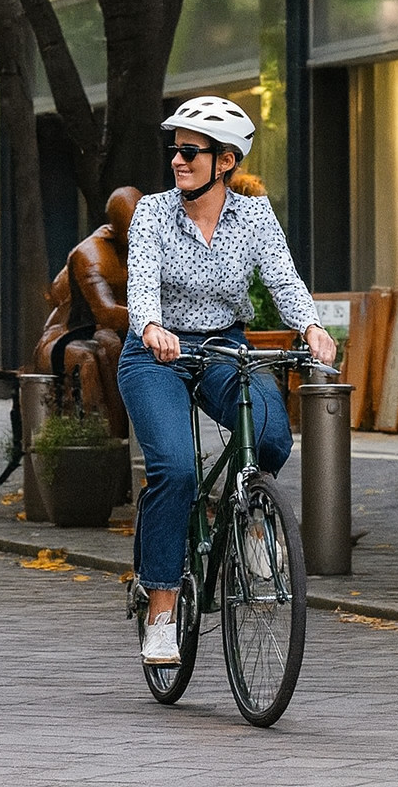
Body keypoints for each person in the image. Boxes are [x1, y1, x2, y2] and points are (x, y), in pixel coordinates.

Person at [118, 95, 337, 666]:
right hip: (154, 351)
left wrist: (311, 327)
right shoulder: (151, 213)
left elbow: (284, 280)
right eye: (176, 150)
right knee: (176, 468)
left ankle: (251, 518)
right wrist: (150, 325)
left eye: (191, 151)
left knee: (271, 436)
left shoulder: (254, 217)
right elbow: (140, 282)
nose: (178, 160)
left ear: (226, 162)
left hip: (223, 346)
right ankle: (162, 608)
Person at [31, 186, 142, 436]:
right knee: (103, 350)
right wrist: (160, 319)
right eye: (133, 226)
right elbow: (105, 313)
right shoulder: (91, 254)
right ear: (116, 226)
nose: (141, 232)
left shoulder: (145, 247)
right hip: (69, 333)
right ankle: (113, 440)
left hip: (116, 330)